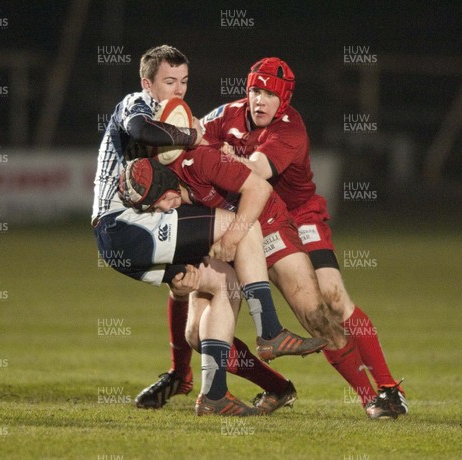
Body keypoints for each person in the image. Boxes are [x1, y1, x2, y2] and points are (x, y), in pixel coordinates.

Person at [92, 45, 318, 415]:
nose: (178, 91)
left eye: (183, 82)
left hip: (133, 237)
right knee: (243, 226)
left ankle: (214, 393)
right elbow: (138, 127)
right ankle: (270, 330)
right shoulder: (139, 105)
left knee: (220, 286)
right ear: (147, 83)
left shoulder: (183, 141)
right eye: (169, 82)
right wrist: (189, 137)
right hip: (123, 228)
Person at [200, 57, 409, 419]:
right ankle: (243, 382)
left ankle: (387, 389)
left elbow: (255, 173)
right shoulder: (225, 115)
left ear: (284, 100)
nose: (260, 101)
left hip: (299, 216)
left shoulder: (290, 129)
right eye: (255, 91)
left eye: (269, 94)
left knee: (332, 298)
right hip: (254, 219)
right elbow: (192, 140)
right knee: (199, 318)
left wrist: (218, 156)